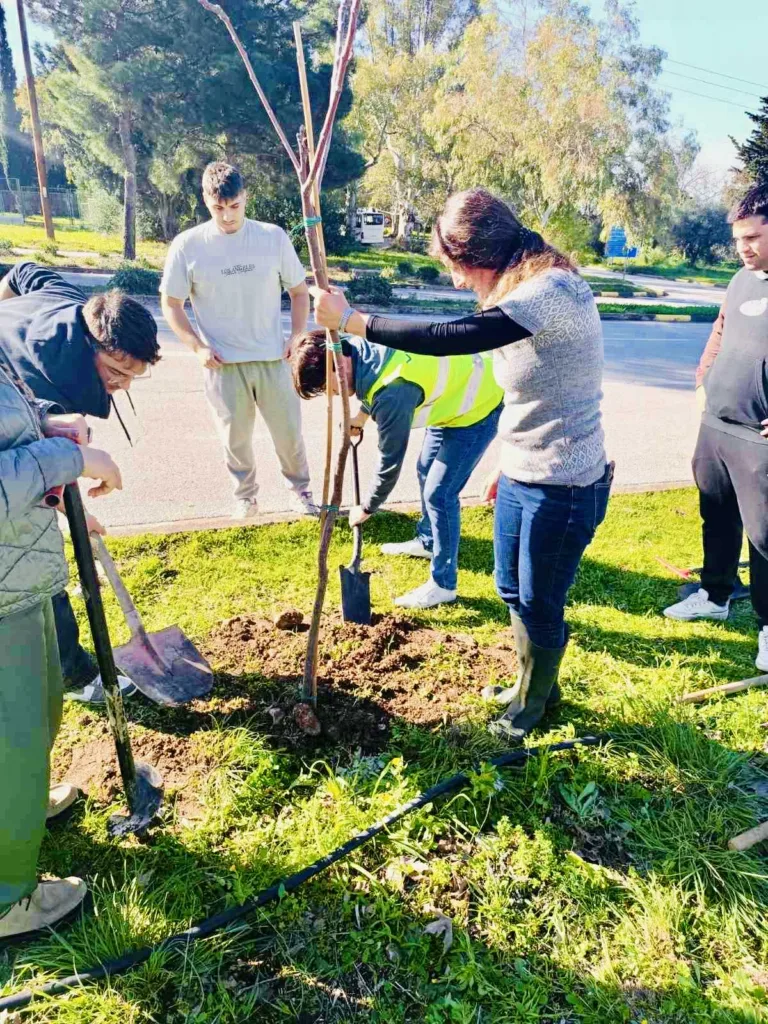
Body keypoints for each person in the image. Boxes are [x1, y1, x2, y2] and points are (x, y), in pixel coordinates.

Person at [311, 187, 612, 743]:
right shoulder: (522, 285)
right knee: (509, 587)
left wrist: (355, 320)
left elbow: (451, 339)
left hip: (567, 481)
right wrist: (507, 460)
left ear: (481, 256)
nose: (454, 281)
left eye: (456, 268)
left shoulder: (551, 293)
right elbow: (531, 397)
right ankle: (535, 682)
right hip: (526, 469)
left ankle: (533, 703)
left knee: (539, 598)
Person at [0, 261, 161, 703]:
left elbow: (24, 273)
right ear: (88, 346)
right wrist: (72, 513)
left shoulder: (77, 307)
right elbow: (31, 471)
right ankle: (72, 673)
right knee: (32, 556)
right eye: (116, 372)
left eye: (133, 377)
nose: (122, 385)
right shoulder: (42, 383)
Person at [0, 366, 122, 940]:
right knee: (11, 736)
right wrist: (64, 459)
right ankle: (7, 900)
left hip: (18, 571)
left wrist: (43, 423)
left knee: (40, 711)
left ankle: (19, 807)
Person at [291, 328, 503, 607]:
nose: (329, 394)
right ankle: (428, 541)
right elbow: (374, 378)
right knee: (426, 468)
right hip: (451, 398)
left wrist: (367, 507)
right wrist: (361, 415)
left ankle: (443, 585)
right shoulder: (354, 346)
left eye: (324, 387)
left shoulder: (393, 393)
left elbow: (389, 462)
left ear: (339, 364)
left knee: (440, 494)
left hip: (478, 406)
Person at [160, 161, 315, 519]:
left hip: (274, 359)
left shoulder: (272, 237)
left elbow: (298, 292)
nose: (228, 216)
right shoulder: (188, 245)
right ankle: (245, 498)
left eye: (234, 206)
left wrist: (296, 335)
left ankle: (301, 491)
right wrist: (197, 347)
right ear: (205, 200)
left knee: (289, 435)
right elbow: (171, 304)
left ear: (245, 198)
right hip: (222, 364)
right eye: (218, 208)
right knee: (235, 441)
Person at [664, 184, 768, 670]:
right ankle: (715, 595)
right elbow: (722, 327)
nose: (743, 248)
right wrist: (705, 375)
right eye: (738, 239)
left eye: (752, 237)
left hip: (758, 437)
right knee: (717, 515)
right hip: (717, 424)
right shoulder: (741, 279)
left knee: (765, 537)